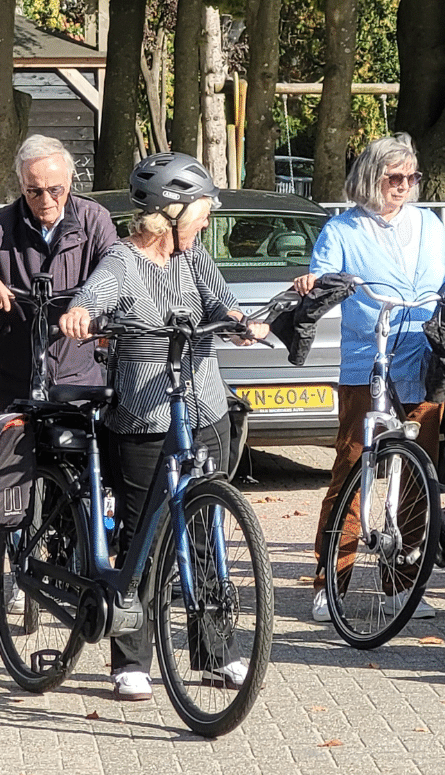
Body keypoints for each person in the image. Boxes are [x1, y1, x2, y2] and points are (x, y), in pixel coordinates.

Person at [60, 152, 267, 702]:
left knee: (206, 530)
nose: (207, 221)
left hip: (205, 409)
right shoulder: (123, 260)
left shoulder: (193, 256)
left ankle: (214, 653)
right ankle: (131, 660)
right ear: (168, 215)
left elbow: (223, 304)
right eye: (201, 212)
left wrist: (242, 324)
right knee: (143, 538)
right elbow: (93, 297)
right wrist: (81, 315)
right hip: (146, 417)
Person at [292, 133, 445, 624]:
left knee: (418, 473)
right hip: (367, 358)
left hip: (424, 356)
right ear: (372, 177)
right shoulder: (342, 229)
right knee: (353, 468)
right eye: (395, 177)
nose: (405, 185)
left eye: (412, 177)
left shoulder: (428, 224)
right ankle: (331, 584)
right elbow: (323, 277)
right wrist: (313, 283)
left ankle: (402, 585)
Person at [0, 135, 118, 410]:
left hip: (77, 383)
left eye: (55, 190)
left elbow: (116, 270)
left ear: (70, 182)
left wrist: (88, 306)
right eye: (34, 191)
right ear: (21, 186)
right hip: (11, 385)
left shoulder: (94, 220)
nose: (46, 200)